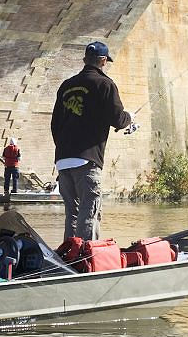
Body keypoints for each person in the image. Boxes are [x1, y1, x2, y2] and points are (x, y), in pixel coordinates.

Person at [51, 41, 135, 241]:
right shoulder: (105, 84)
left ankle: (68, 257)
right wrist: (129, 118)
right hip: (87, 161)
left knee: (72, 213)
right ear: (103, 61)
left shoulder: (66, 85)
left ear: (84, 60)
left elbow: (55, 124)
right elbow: (117, 118)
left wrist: (63, 149)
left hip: (63, 161)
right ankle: (86, 259)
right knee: (89, 213)